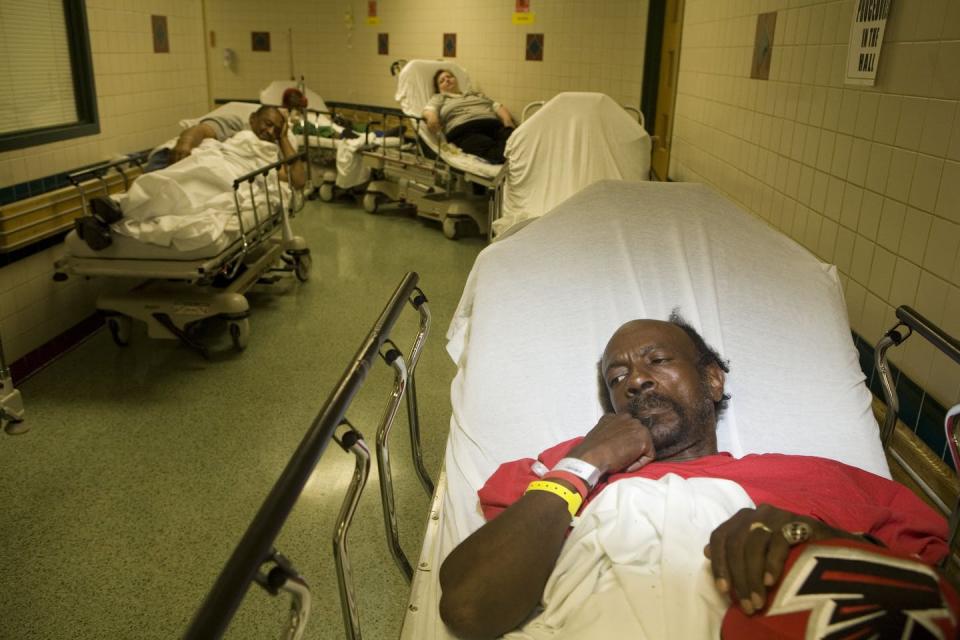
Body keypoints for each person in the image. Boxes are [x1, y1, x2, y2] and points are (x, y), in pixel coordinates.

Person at [438, 314, 955, 639]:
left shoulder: (816, 480)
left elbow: (929, 597)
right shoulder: (554, 473)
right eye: (617, 379)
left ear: (712, 380)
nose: (636, 379)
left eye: (657, 361)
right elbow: (468, 608)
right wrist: (584, 462)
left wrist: (814, 541)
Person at [422, 69, 516, 164]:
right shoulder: (439, 98)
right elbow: (429, 110)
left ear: (455, 79)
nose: (447, 80)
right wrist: (432, 118)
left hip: (494, 126)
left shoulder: (474, 94)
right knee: (493, 151)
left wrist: (507, 121)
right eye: (442, 81)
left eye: (449, 76)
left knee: (516, 141)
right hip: (465, 131)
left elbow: (497, 106)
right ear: (439, 89)